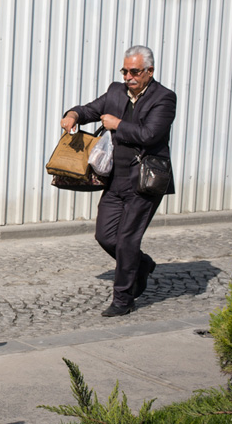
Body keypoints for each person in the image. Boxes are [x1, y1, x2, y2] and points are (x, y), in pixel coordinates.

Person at [60, 45, 176, 317]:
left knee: (126, 240)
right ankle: (142, 263)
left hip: (145, 181)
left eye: (134, 71)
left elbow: (150, 134)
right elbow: (91, 110)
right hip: (115, 178)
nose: (128, 76)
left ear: (149, 71)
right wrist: (73, 114)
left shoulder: (164, 98)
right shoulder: (115, 91)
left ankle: (123, 299)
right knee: (105, 234)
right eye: (124, 70)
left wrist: (117, 124)